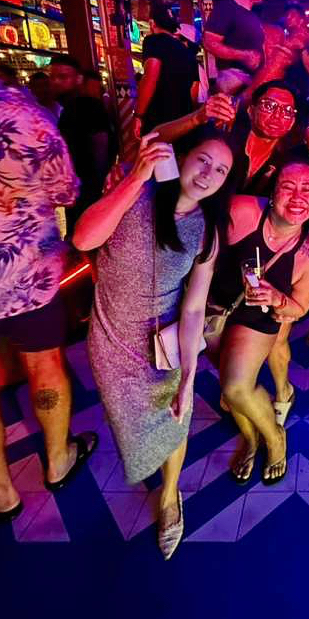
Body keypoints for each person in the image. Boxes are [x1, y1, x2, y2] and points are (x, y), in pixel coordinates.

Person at [0, 9, 95, 523]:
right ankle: (58, 460)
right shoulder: (24, 114)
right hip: (29, 273)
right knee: (45, 364)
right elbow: (66, 189)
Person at [73, 128, 235, 559]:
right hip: (110, 337)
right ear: (182, 157)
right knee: (128, 422)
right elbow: (84, 239)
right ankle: (155, 470)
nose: (208, 174)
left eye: (221, 170)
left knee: (173, 419)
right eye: (203, 160)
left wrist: (190, 377)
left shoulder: (206, 232)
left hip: (161, 344)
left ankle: (169, 495)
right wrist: (135, 176)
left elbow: (195, 309)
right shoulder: (136, 194)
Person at [209, 159, 309, 485]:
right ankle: (250, 437)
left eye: (308, 190)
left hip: (257, 317)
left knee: (236, 386)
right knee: (230, 390)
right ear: (272, 195)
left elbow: (299, 309)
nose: (298, 197)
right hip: (215, 306)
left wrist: (277, 299)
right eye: (288, 187)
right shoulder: (242, 211)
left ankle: (275, 437)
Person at [155, 81, 303, 199]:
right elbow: (155, 139)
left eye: (287, 111)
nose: (277, 115)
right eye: (269, 106)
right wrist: (197, 118)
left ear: (291, 122)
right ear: (251, 111)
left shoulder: (287, 162)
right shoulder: (222, 138)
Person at [50, 54, 115, 232]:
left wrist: (98, 185)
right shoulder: (67, 109)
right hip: (78, 186)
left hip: (87, 188)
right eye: (53, 77)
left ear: (78, 79)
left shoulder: (87, 106)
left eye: (63, 77)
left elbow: (101, 143)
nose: (56, 82)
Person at [133, 3, 199, 136]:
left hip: (159, 120)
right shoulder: (188, 53)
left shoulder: (153, 41)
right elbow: (194, 90)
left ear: (152, 23)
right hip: (182, 122)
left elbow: (150, 76)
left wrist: (138, 115)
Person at [203, 0, 265, 95]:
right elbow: (209, 43)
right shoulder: (226, 9)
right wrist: (244, 55)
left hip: (251, 80)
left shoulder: (253, 16)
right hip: (233, 80)